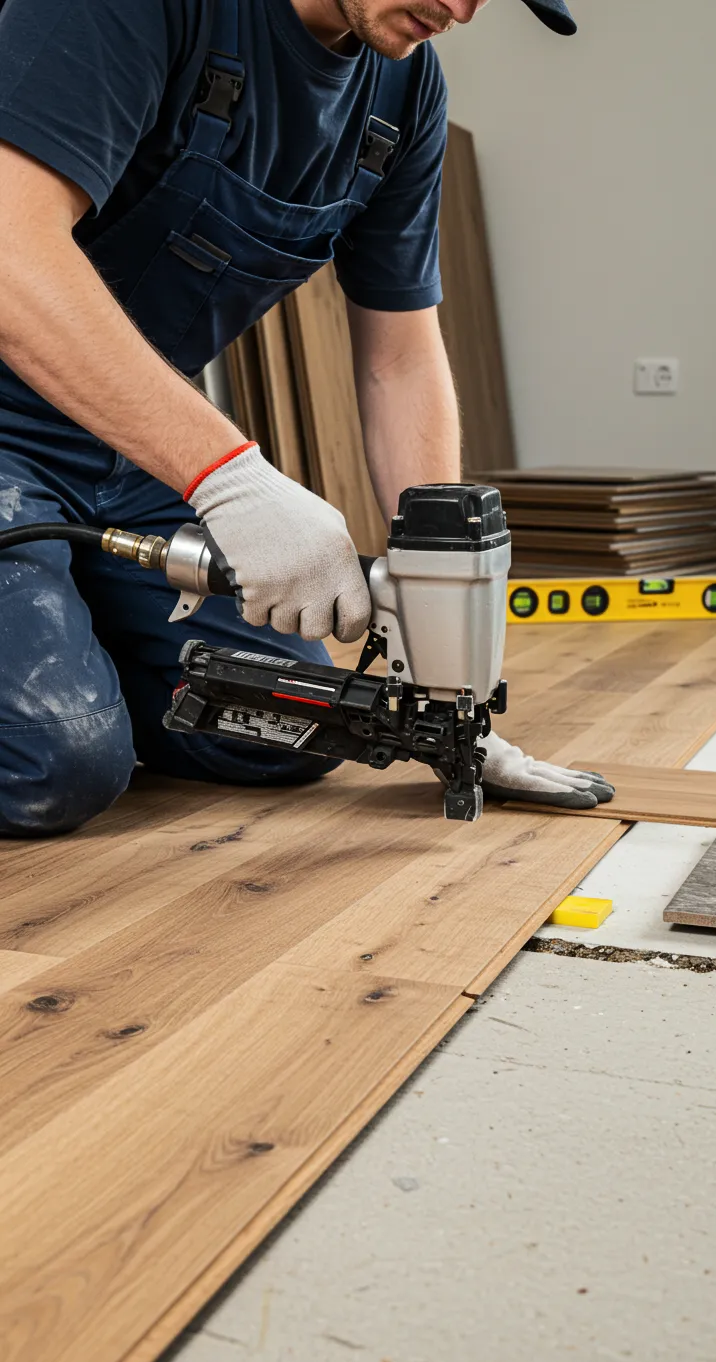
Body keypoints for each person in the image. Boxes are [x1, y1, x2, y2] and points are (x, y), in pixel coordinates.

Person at [0, 0, 610, 836]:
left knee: (292, 730)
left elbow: (399, 357)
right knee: (51, 760)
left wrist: (439, 629)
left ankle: (64, 633)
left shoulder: (404, 87)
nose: (463, 8)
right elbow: (10, 252)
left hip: (124, 451)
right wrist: (231, 479)